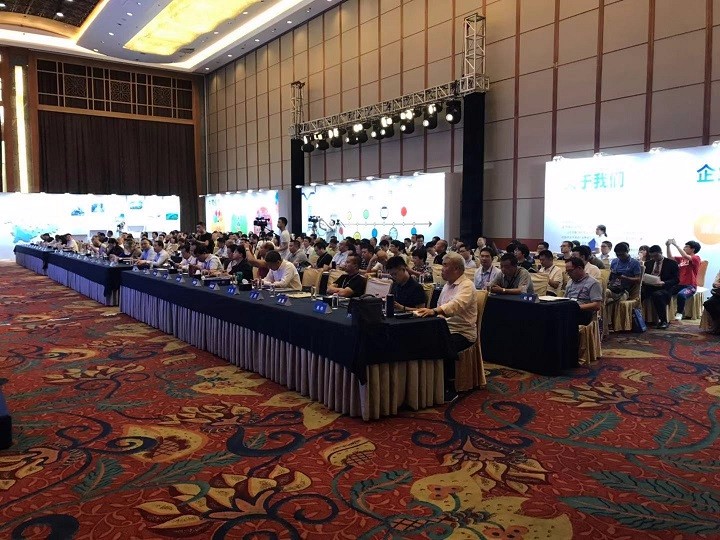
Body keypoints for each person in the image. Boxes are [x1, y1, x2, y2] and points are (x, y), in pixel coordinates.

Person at [415, 252, 477, 402]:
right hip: (444, 327)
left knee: (442, 344)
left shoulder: (467, 285)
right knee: (419, 339)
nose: (441, 269)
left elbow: (456, 305)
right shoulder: (447, 285)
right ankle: (428, 383)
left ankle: (449, 387)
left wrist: (435, 311)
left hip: (462, 332)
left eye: (445, 265)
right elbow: (440, 308)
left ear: (456, 269)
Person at [641, 245, 679, 329]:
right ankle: (637, 318)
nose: (654, 258)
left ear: (661, 253)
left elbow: (676, 279)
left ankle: (663, 321)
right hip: (649, 286)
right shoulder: (648, 263)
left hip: (664, 287)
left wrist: (664, 283)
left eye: (656, 256)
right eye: (652, 256)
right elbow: (644, 276)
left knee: (658, 295)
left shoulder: (671, 263)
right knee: (638, 293)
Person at [666, 239, 702, 320]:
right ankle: (666, 314)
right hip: (679, 285)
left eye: (686, 247)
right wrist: (668, 246)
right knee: (664, 292)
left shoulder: (696, 258)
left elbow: (686, 256)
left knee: (681, 295)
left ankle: (679, 313)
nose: (684, 248)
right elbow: (670, 258)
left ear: (693, 249)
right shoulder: (681, 259)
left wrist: (676, 245)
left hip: (690, 286)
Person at [564, 256, 604, 325]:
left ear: (579, 268)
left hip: (583, 312)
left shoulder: (593, 283)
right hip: (569, 308)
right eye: (567, 272)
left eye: (570, 271)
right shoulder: (570, 282)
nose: (569, 274)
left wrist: (575, 307)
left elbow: (597, 305)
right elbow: (565, 298)